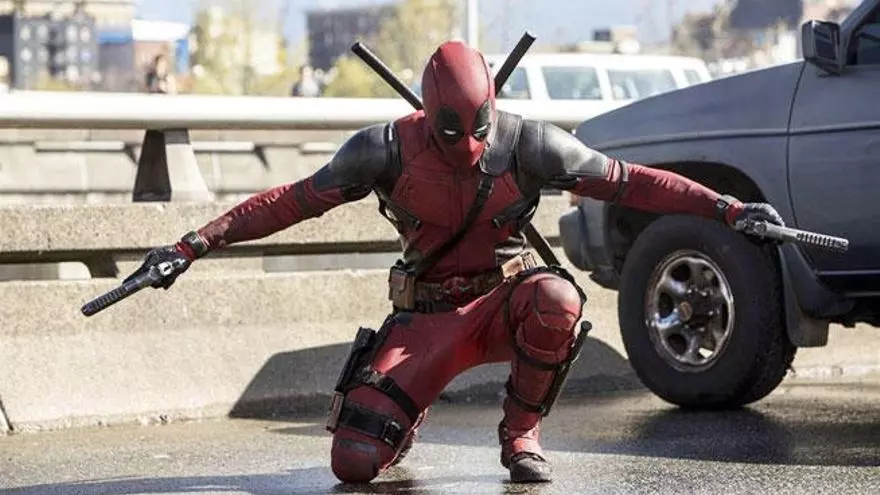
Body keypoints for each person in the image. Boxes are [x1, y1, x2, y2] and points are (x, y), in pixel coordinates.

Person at [128, 40, 785, 484]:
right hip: (427, 317)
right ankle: (399, 413)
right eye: (452, 132)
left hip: (505, 301)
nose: (470, 146)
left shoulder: (530, 144)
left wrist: (725, 208)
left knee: (557, 300)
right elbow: (291, 201)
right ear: (427, 113)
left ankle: (521, 434)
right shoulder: (381, 149)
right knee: (353, 461)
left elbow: (631, 182)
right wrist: (191, 245)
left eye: (479, 129)